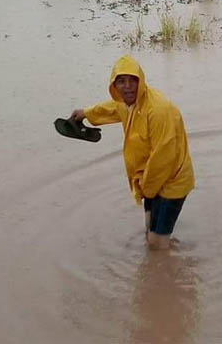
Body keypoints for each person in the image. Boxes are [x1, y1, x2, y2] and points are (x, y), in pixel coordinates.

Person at [71, 55, 194, 250]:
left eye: (132, 81)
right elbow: (112, 108)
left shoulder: (158, 111)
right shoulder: (126, 103)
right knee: (148, 227)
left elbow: (164, 159)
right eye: (121, 81)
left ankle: (166, 273)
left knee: (157, 242)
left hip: (172, 179)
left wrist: (145, 189)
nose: (127, 87)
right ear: (114, 86)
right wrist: (86, 112)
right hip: (148, 176)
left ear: (141, 81)